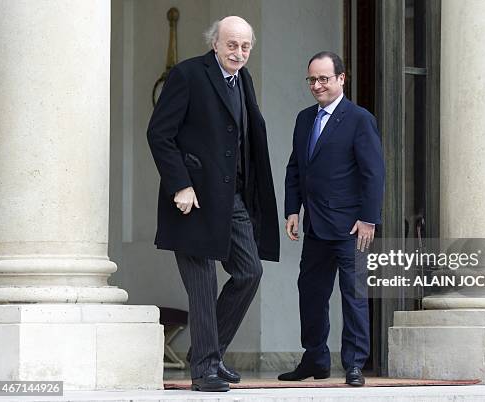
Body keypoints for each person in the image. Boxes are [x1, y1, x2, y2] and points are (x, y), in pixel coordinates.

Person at [146, 16, 279, 392]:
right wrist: (181, 185)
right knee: (202, 284)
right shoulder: (189, 75)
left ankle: (210, 353)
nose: (239, 52)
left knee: (250, 271)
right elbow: (159, 133)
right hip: (192, 198)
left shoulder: (243, 80)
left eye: (245, 46)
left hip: (231, 199)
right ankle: (205, 370)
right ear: (215, 44)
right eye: (232, 44)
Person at [280, 51, 385, 387]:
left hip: (352, 228)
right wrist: (292, 209)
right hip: (315, 226)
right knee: (310, 292)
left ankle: (354, 363)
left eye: (324, 78)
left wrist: (368, 218)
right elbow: (296, 167)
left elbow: (373, 173)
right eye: (312, 79)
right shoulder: (303, 118)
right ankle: (315, 358)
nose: (317, 85)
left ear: (341, 78)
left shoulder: (359, 118)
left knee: (353, 296)